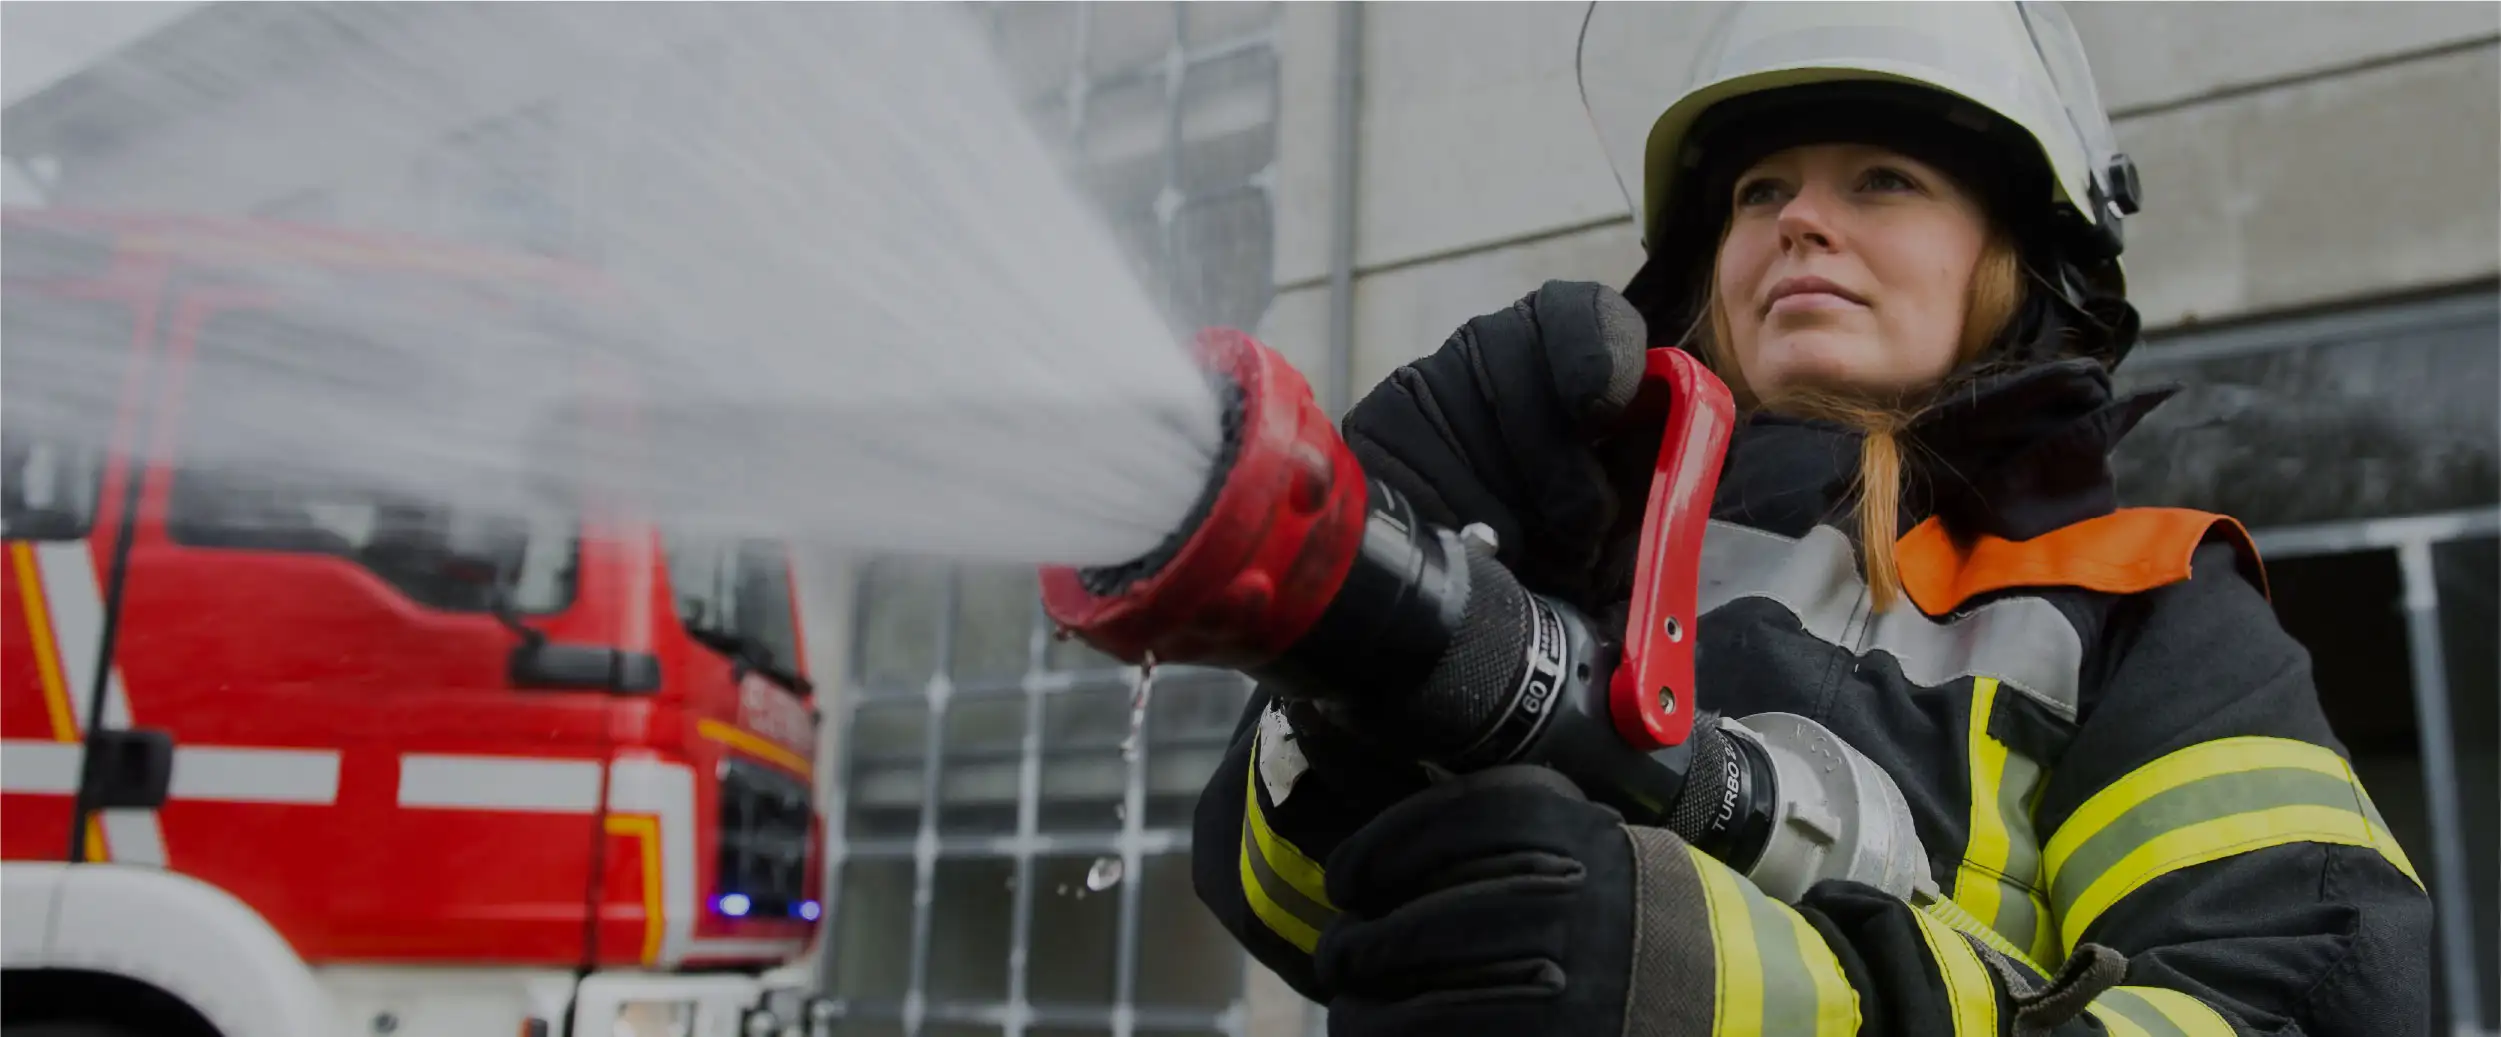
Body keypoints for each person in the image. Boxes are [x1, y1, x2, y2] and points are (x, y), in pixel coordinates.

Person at [1190, 3, 2434, 1035]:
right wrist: (1368, 631)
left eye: (1881, 178)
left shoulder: (2139, 602)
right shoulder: (1575, 546)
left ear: (2015, 258)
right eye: (1756, 190)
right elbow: (1291, 906)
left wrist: (1760, 992)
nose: (1794, 218)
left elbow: (2298, 1001)